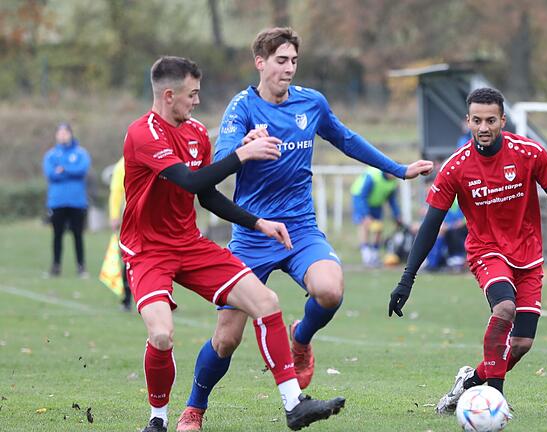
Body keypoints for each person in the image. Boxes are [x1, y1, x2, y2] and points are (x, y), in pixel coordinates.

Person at [175, 28, 433, 431]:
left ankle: (301, 337)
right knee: (227, 338)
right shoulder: (242, 107)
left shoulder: (311, 103)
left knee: (330, 290)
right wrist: (247, 146)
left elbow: (346, 139)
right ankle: (194, 409)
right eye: (281, 60)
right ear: (260, 62)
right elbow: (222, 157)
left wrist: (398, 170)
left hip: (299, 229)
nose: (289, 68)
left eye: (294, 60)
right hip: (253, 234)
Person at [122, 56, 345, 432]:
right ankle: (157, 421)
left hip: (189, 244)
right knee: (161, 335)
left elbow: (206, 196)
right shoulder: (143, 134)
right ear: (170, 94)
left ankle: (295, 405)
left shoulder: (194, 133)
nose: (197, 100)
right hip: (147, 251)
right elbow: (188, 182)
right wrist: (243, 154)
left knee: (267, 302)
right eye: (192, 94)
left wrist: (257, 222)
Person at [387, 87, 547, 414]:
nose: (483, 127)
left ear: (502, 120)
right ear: (467, 121)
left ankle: (470, 384)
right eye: (476, 120)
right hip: (487, 252)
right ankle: (493, 400)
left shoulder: (529, 153)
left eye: (490, 120)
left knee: (522, 344)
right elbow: (430, 225)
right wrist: (407, 278)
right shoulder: (456, 167)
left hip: (529, 255)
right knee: (504, 310)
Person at [42, 122, 91, 278]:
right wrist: (70, 170)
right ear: (56, 135)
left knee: (78, 235)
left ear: (71, 134)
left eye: (65, 132)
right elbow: (51, 174)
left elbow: (82, 170)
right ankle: (56, 266)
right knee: (57, 235)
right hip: (57, 201)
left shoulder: (81, 153)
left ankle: (81, 267)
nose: (63, 135)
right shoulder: (50, 155)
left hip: (77, 201)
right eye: (60, 133)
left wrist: (64, 169)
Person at [351, 168, 402, 267]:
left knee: (378, 227)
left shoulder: (393, 181)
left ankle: (374, 254)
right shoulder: (373, 177)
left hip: (376, 203)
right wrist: (366, 214)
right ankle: (366, 255)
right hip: (360, 199)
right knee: (365, 224)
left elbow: (392, 200)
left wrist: (397, 215)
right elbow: (362, 195)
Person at [107, 156, 133, 310]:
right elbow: (117, 192)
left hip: (151, 218)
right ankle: (127, 298)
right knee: (130, 257)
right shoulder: (122, 164)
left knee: (131, 257)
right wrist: (114, 215)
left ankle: (127, 299)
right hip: (132, 219)